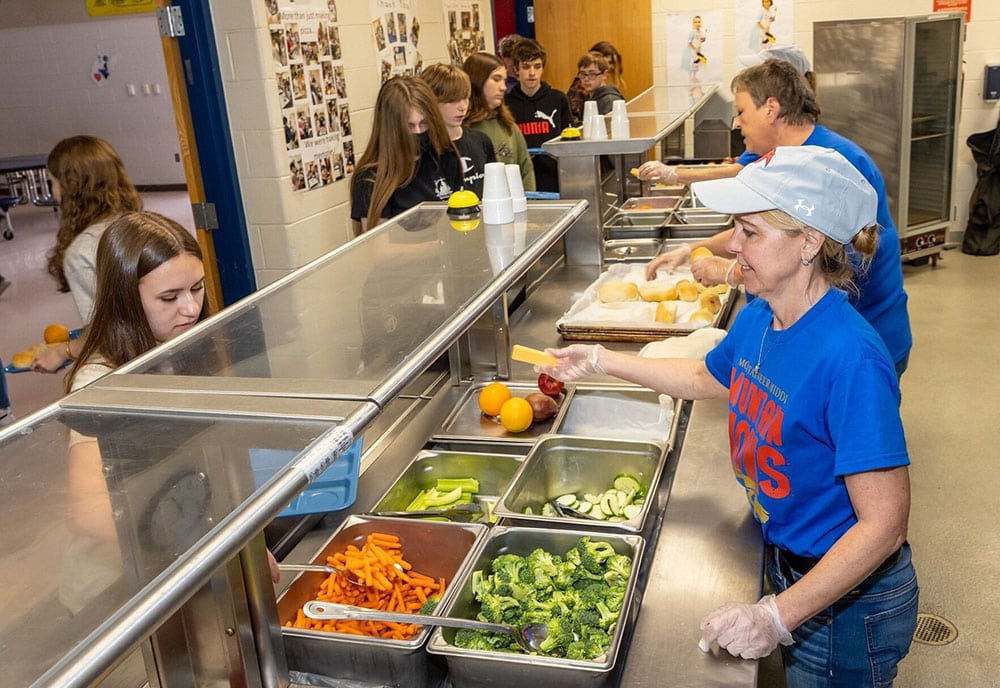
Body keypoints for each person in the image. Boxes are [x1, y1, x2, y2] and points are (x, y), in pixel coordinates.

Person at [539, 146, 918, 688]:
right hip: (789, 557)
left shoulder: (850, 358)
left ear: (809, 241)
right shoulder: (762, 316)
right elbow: (704, 378)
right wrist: (601, 360)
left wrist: (776, 615)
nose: (734, 245)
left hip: (848, 600)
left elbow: (884, 525)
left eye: (751, 232)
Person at [638, 59, 912, 376]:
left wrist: (732, 272)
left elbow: (829, 269)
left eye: (741, 112)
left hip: (860, 345)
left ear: (771, 109)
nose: (736, 124)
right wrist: (693, 250)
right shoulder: (776, 159)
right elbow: (766, 230)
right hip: (808, 340)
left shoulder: (836, 164)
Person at [34, 135, 142, 372]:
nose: (53, 192)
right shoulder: (140, 224)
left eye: (54, 182)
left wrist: (63, 351)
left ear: (72, 188)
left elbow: (109, 331)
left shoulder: (82, 250)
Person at [350, 75, 464, 235]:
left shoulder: (444, 156)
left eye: (424, 124)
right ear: (392, 129)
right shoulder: (372, 178)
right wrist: (440, 246)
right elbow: (378, 250)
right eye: (410, 126)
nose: (418, 132)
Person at [419, 63, 496, 198]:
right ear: (431, 101)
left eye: (465, 98)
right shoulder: (422, 149)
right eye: (453, 100)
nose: (462, 107)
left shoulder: (481, 141)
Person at [504, 39, 571, 193]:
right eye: (526, 67)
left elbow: (570, 139)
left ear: (543, 68)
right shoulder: (505, 104)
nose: (532, 73)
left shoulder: (558, 99)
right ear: (516, 69)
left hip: (556, 179)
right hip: (521, 181)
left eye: (537, 66)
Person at [462, 52, 536, 191]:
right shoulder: (461, 128)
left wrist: (528, 203)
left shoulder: (508, 125)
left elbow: (526, 171)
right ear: (477, 81)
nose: (503, 87)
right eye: (496, 79)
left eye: (504, 81)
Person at [567, 41, 625, 126]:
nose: (586, 79)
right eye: (583, 74)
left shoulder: (610, 100)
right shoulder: (582, 92)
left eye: (592, 74)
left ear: (605, 74)